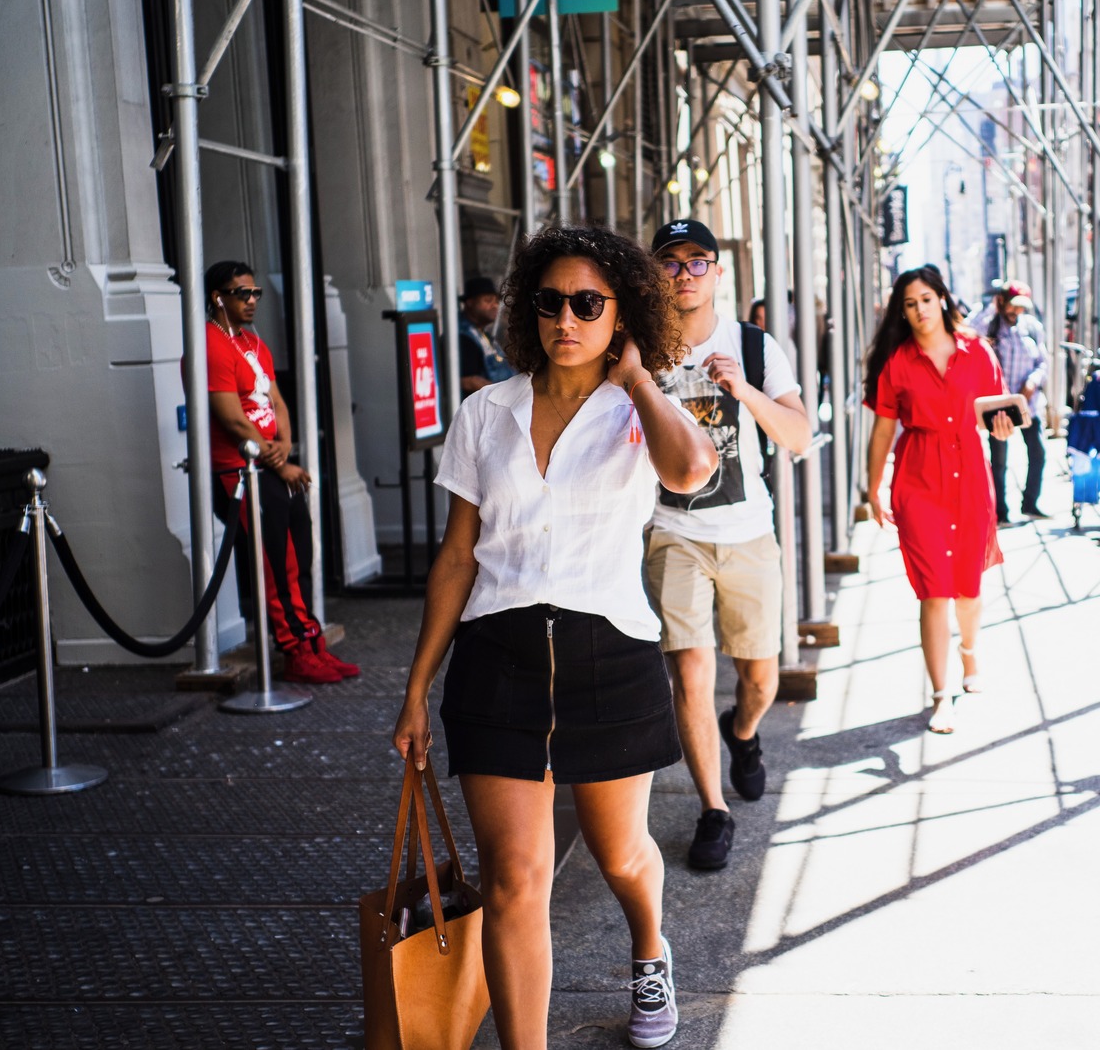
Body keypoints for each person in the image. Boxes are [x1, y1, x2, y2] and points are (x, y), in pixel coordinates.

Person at [392, 227, 716, 1050]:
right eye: (550, 301)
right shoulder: (484, 413)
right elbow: (457, 556)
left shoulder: (638, 410)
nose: (566, 319)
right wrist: (417, 688)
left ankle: (650, 949)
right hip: (496, 660)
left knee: (621, 853)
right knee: (513, 879)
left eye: (587, 304)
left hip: (608, 655)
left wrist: (637, 378)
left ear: (622, 313)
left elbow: (690, 470)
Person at [644, 219, 811, 871]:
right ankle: (713, 809)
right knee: (690, 670)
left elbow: (797, 435)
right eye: (670, 262)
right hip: (674, 531)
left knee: (760, 679)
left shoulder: (755, 346)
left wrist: (743, 390)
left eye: (696, 262)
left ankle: (741, 731)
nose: (683, 274)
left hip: (747, 532)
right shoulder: (639, 348)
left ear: (717, 272)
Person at [864, 265, 1015, 735]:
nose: (919, 310)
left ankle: (970, 653)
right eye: (909, 304)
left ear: (942, 299)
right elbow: (883, 429)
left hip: (970, 475)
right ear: (902, 311)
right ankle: (940, 696)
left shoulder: (978, 351)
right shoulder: (897, 362)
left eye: (926, 300)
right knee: (933, 591)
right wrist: (872, 487)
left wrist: (1002, 427)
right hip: (918, 479)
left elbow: (996, 412)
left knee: (968, 588)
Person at [199, 260, 357, 685]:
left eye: (256, 293)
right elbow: (232, 420)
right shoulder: (210, 345)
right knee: (276, 565)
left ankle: (311, 643)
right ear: (218, 297)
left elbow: (278, 401)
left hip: (272, 465)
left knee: (299, 557)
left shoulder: (253, 342)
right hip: (243, 471)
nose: (252, 301)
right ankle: (296, 652)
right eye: (242, 294)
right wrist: (280, 462)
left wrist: (285, 443)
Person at [967, 280, 1050, 523]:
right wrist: (992, 308)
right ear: (1002, 301)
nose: (1016, 312)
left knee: (1038, 452)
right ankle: (1000, 512)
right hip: (999, 405)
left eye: (1021, 307)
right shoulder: (990, 325)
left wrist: (1032, 382)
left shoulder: (1031, 327)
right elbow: (968, 331)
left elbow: (1043, 362)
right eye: (1013, 305)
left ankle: (1030, 503)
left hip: (1028, 404)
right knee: (1000, 460)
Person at [458, 276, 514, 396]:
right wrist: (505, 395)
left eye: (496, 301)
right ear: (470, 303)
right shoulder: (462, 337)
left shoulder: (482, 334)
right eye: (488, 300)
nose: (495, 305)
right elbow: (468, 382)